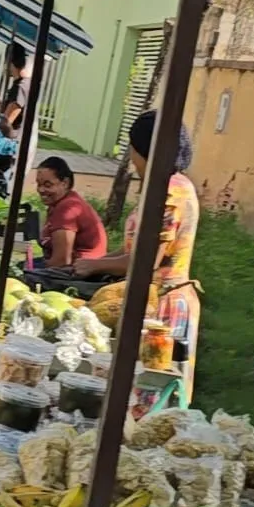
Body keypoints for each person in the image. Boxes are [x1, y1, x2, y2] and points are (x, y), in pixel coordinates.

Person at [74, 109, 200, 402]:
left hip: (163, 310)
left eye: (133, 147)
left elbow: (145, 263)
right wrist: (96, 263)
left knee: (148, 400)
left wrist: (95, 266)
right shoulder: (161, 187)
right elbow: (133, 247)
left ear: (147, 150)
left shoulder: (170, 194)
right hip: (147, 300)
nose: (131, 156)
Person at [36, 156, 107, 266]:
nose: (41, 190)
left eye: (47, 185)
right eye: (39, 184)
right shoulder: (61, 202)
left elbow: (61, 261)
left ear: (65, 183)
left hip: (81, 271)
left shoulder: (67, 208)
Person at [3, 42, 39, 175]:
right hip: (25, 140)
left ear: (10, 62)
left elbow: (8, 120)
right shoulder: (28, 84)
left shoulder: (20, 87)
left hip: (16, 142)